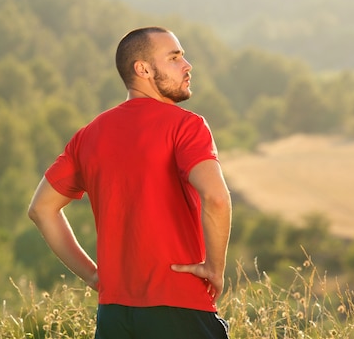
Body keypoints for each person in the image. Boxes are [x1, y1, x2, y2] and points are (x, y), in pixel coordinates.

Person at [28, 26, 232, 339]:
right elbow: (216, 198)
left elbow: (41, 209)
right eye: (175, 58)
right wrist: (214, 269)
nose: (187, 65)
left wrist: (94, 275)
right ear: (143, 69)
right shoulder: (187, 126)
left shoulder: (89, 135)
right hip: (180, 306)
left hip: (114, 314)